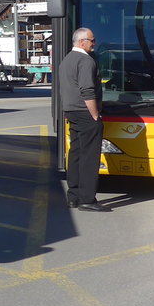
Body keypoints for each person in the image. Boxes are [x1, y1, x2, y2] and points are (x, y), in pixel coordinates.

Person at [58, 27, 110, 212]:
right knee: (89, 157)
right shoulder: (86, 61)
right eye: (92, 40)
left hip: (71, 112)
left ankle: (73, 196)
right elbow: (87, 90)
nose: (94, 43)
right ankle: (87, 199)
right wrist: (95, 115)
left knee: (76, 154)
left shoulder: (66, 60)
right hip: (85, 112)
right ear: (82, 42)